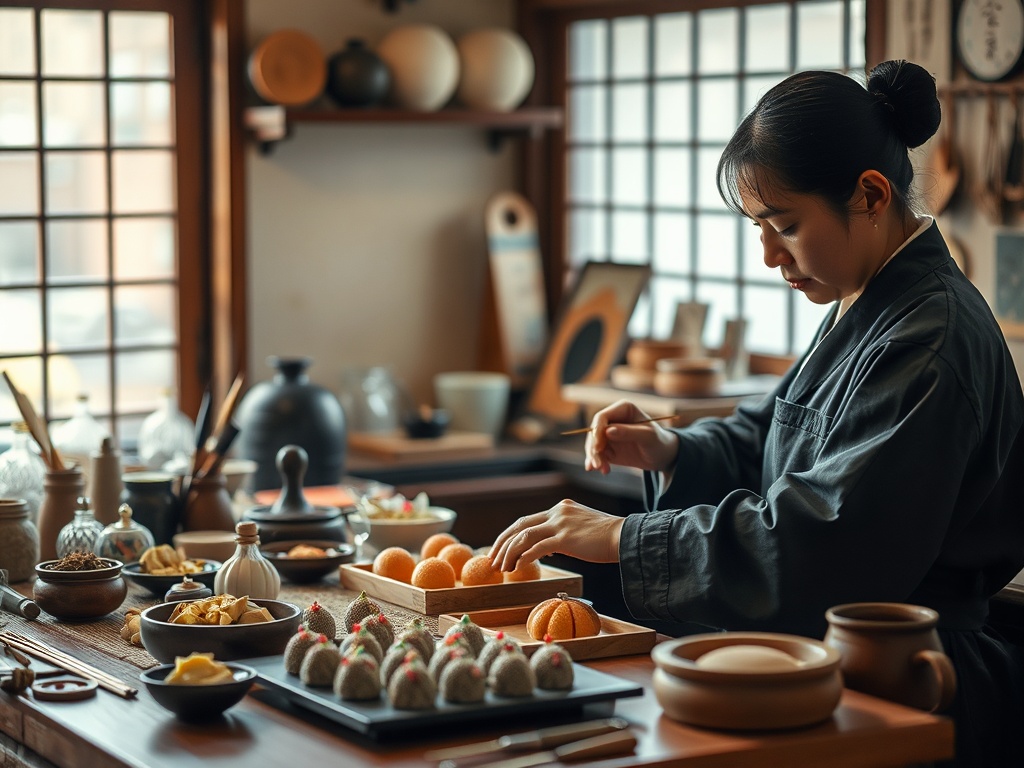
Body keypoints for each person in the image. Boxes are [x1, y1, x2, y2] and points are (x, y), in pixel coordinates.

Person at [489, 60, 1024, 767]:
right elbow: (772, 434)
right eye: (758, 226)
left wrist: (626, 537)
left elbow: (827, 542)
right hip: (826, 661)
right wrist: (670, 451)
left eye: (785, 224)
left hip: (905, 679)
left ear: (869, 195)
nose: (769, 254)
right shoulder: (863, 300)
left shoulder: (931, 337)